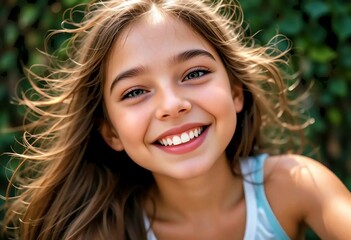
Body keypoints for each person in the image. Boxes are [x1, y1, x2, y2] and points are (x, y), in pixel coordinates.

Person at [2, 0, 351, 239]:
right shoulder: (102, 231)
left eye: (195, 72)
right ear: (111, 132)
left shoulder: (296, 186)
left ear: (235, 91)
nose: (172, 105)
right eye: (135, 92)